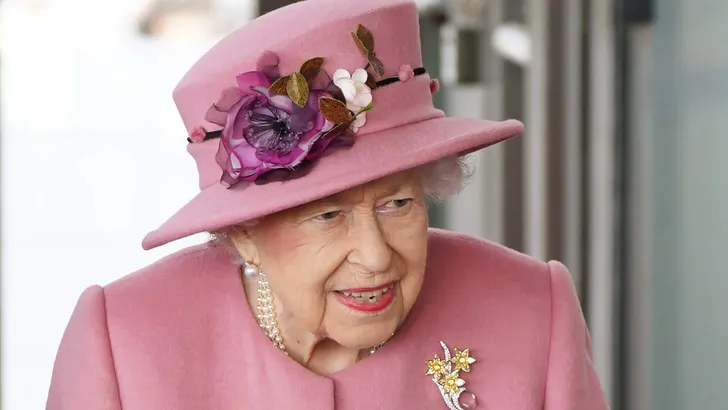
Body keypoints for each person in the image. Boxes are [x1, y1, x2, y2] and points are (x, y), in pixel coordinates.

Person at [46, 0, 609, 409]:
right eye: (327, 214)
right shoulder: (124, 343)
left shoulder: (533, 309)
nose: (375, 255)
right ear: (243, 232)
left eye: (397, 203)